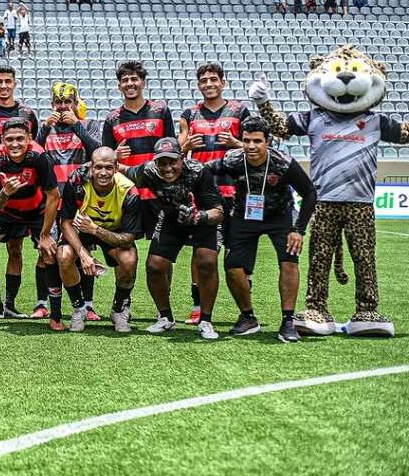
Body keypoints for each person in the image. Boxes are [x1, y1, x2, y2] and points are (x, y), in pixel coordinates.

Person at [205, 116, 317, 342]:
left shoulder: (283, 163)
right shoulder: (233, 159)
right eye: (246, 140)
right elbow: (204, 172)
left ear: (268, 142)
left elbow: (310, 193)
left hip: (280, 216)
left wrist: (298, 230)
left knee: (289, 262)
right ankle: (248, 317)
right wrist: (213, 200)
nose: (251, 146)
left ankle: (288, 321)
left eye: (257, 141)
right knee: (232, 267)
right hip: (244, 216)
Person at [123, 137, 224, 340]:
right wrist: (105, 161)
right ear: (155, 162)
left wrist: (200, 216)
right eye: (162, 162)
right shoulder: (148, 171)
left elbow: (218, 211)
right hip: (171, 219)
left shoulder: (199, 171)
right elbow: (123, 170)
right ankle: (165, 317)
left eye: (172, 162)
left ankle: (205, 320)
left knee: (207, 262)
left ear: (181, 158)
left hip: (202, 219)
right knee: (154, 265)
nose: (168, 168)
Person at [0, 118, 59, 328]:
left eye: (19, 139)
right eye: (9, 139)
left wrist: (45, 235)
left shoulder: (39, 156)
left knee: (49, 251)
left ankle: (55, 317)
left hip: (36, 211)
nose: (15, 144)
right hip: (5, 211)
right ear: (2, 140)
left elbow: (53, 195)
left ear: (29, 139)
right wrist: (6, 192)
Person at [178, 63, 250, 324]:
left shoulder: (240, 111)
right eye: (204, 80)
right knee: (202, 253)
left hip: (236, 193)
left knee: (238, 253)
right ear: (199, 85)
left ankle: (246, 310)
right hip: (204, 196)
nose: (208, 84)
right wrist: (186, 145)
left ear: (223, 82)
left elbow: (255, 147)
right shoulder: (189, 114)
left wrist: (236, 143)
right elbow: (177, 152)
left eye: (213, 79)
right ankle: (198, 306)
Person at [56, 147, 142, 333]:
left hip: (113, 231)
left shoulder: (129, 191)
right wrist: (84, 254)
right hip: (82, 229)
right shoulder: (77, 182)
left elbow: (128, 238)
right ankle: (79, 308)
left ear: (117, 167)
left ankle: (118, 310)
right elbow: (66, 223)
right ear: (91, 167)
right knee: (64, 255)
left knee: (129, 260)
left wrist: (96, 229)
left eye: (109, 168)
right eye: (98, 167)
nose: (103, 173)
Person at [35, 82, 101, 319]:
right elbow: (33, 153)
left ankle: (88, 305)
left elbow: (98, 153)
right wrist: (44, 128)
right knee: (46, 253)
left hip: (80, 202)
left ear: (75, 103)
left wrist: (77, 126)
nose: (63, 107)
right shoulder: (46, 127)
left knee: (83, 250)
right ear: (52, 104)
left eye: (67, 102)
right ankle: (42, 303)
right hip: (50, 202)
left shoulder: (88, 124)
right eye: (58, 102)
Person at [0, 65, 39, 317]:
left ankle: (10, 304)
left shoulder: (27, 113)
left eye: (7, 81)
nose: (3, 86)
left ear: (14, 83)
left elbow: (34, 148)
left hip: (22, 193)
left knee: (16, 248)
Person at [102, 60, 175, 240]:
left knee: (161, 248)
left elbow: (172, 150)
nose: (130, 84)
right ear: (119, 86)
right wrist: (115, 156)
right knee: (125, 247)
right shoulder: (112, 119)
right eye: (125, 80)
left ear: (143, 82)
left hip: (157, 191)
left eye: (134, 79)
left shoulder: (160, 111)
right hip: (127, 193)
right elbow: (105, 159)